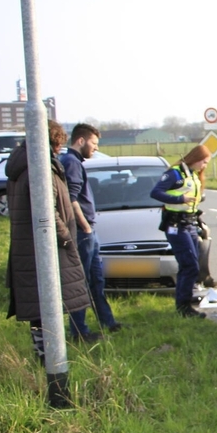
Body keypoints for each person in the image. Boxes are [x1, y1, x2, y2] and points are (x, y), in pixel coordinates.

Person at [6, 120, 93, 366]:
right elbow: (46, 211)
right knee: (45, 304)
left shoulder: (21, 165)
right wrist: (66, 238)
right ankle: (51, 362)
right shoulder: (37, 169)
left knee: (39, 306)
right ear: (49, 143)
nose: (59, 150)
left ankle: (46, 356)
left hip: (28, 246)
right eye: (57, 145)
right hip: (42, 247)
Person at [59, 123, 122, 338]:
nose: (96, 148)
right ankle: (79, 331)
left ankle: (108, 322)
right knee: (82, 281)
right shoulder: (72, 162)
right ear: (81, 141)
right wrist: (85, 227)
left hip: (88, 232)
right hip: (83, 232)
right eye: (94, 143)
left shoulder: (72, 161)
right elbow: (71, 199)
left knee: (96, 279)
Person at [150, 145, 212, 319]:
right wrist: (180, 198)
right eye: (204, 162)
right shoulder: (175, 174)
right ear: (195, 158)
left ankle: (184, 302)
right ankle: (184, 307)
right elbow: (155, 192)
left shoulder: (192, 174)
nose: (205, 166)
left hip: (190, 223)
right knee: (189, 265)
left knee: (191, 265)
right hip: (176, 225)